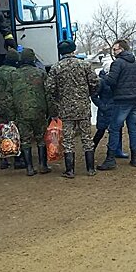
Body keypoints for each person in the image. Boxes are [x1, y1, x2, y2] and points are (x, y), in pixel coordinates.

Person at [46, 40, 100, 178]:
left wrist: (58, 98)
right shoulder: (84, 65)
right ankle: (90, 169)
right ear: (73, 50)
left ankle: (70, 170)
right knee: (87, 138)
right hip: (83, 107)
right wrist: (88, 94)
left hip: (66, 109)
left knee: (68, 141)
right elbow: (95, 82)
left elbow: (50, 88)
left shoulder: (56, 67)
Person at [97, 40, 136, 170]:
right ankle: (134, 158)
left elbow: (111, 81)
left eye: (115, 49)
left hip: (121, 100)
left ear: (122, 49)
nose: (113, 52)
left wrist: (103, 78)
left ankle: (110, 159)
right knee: (133, 129)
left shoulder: (117, 63)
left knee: (114, 129)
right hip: (134, 100)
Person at [13, 48, 51, 176]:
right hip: (39, 111)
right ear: (33, 59)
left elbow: (9, 95)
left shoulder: (14, 74)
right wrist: (53, 112)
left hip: (21, 112)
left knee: (25, 139)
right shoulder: (40, 73)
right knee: (41, 138)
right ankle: (43, 165)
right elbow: (48, 94)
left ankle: (29, 168)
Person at [0, 48, 23, 170]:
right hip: (11, 106)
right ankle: (17, 159)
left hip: (0, 105)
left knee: (2, 131)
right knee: (14, 131)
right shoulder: (14, 72)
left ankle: (3, 159)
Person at [91, 61, 128, 158]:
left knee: (118, 130)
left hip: (116, 109)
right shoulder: (101, 81)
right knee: (101, 131)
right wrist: (103, 106)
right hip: (105, 111)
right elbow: (94, 96)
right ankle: (91, 150)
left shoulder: (117, 80)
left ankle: (118, 150)